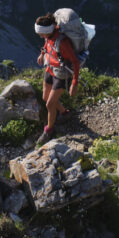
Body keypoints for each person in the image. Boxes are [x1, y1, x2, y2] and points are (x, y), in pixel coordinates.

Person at [34, 13, 80, 147]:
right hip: (50, 68)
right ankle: (65, 113)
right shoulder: (49, 36)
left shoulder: (63, 42)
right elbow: (47, 42)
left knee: (49, 104)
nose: (40, 36)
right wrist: (42, 54)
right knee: (45, 97)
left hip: (61, 74)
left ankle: (49, 130)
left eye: (41, 34)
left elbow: (75, 62)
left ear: (47, 31)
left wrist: (74, 83)